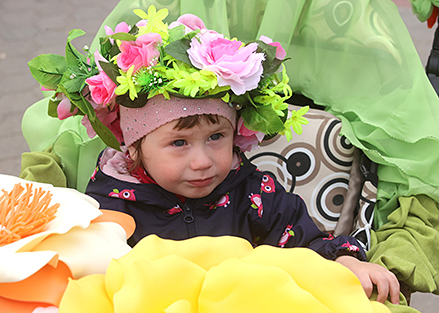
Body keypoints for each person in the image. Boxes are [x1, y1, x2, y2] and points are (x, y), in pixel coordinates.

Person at [28, 5, 400, 306]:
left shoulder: (253, 193)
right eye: (179, 143)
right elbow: (92, 279)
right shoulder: (109, 206)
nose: (203, 161)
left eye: (217, 137)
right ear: (134, 146)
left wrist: (344, 260)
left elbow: (305, 243)